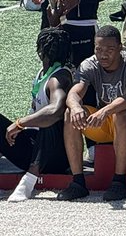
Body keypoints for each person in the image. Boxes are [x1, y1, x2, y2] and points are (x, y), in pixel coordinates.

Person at [57, 26, 126, 202]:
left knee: (120, 114)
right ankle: (78, 181)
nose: (103, 55)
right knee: (70, 113)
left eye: (110, 50)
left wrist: (105, 110)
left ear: (120, 48)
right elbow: (74, 93)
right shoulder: (89, 64)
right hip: (106, 122)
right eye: (98, 49)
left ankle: (119, 182)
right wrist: (76, 107)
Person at [1, 28, 73, 202]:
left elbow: (55, 110)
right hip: (32, 146)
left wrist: (20, 123)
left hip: (55, 155)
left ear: (40, 50)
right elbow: (57, 34)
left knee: (48, 121)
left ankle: (29, 181)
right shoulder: (44, 72)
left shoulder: (59, 77)